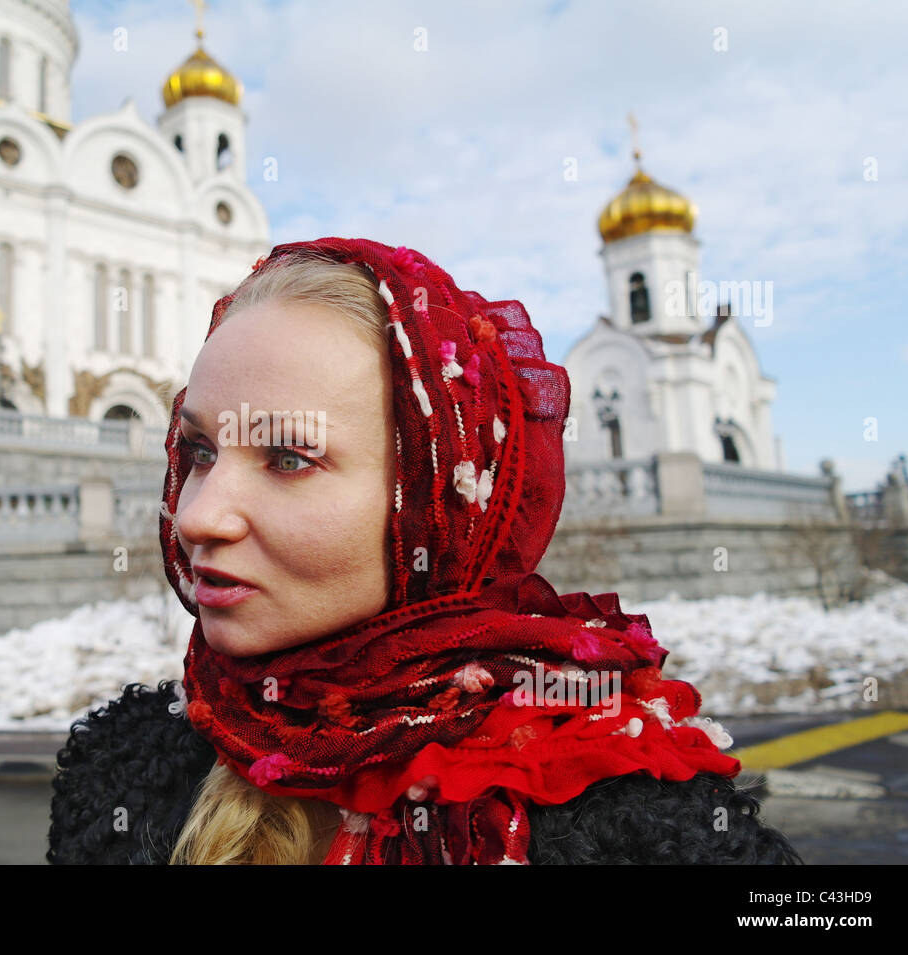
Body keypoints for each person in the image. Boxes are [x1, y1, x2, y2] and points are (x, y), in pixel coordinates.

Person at [46, 237, 802, 865]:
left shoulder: (613, 809)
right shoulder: (131, 769)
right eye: (200, 450)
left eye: (287, 459)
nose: (197, 515)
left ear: (442, 504)